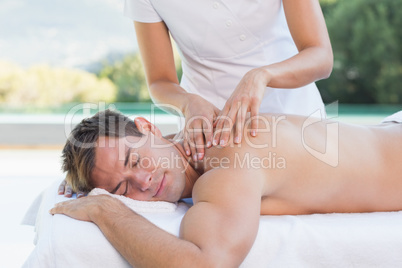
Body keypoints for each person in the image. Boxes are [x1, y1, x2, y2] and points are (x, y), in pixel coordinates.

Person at [51, 109, 402, 267]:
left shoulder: (227, 162)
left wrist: (105, 209)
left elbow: (207, 263)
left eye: (134, 161)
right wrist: (89, 181)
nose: (143, 182)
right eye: (122, 188)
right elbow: (118, 163)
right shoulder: (188, 143)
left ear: (147, 127)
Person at [123, 0, 334, 161]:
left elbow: (320, 55)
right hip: (214, 137)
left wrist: (261, 76)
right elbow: (159, 81)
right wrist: (188, 103)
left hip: (298, 119)